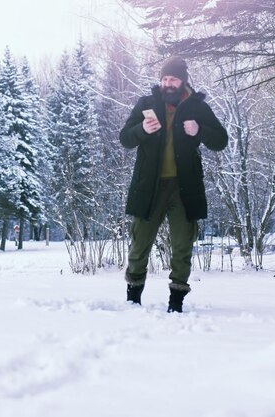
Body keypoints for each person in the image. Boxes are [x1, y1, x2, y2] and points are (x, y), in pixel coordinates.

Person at [119, 56, 228, 313]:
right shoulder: (146, 104)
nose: (168, 83)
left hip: (184, 189)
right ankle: (133, 299)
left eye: (173, 79)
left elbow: (220, 140)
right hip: (149, 188)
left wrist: (199, 130)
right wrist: (142, 129)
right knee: (139, 244)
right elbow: (125, 138)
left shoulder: (197, 108)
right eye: (165, 78)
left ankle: (176, 303)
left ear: (182, 81)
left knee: (182, 246)